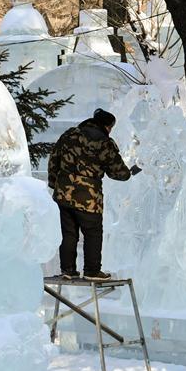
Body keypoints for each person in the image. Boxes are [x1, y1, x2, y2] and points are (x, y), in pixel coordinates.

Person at [47, 108, 141, 281]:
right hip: (88, 197)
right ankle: (92, 271)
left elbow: (54, 160)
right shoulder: (104, 142)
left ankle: (67, 270)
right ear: (107, 126)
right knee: (92, 233)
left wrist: (54, 184)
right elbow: (118, 173)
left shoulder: (69, 135)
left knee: (68, 234)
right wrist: (131, 172)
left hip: (63, 193)